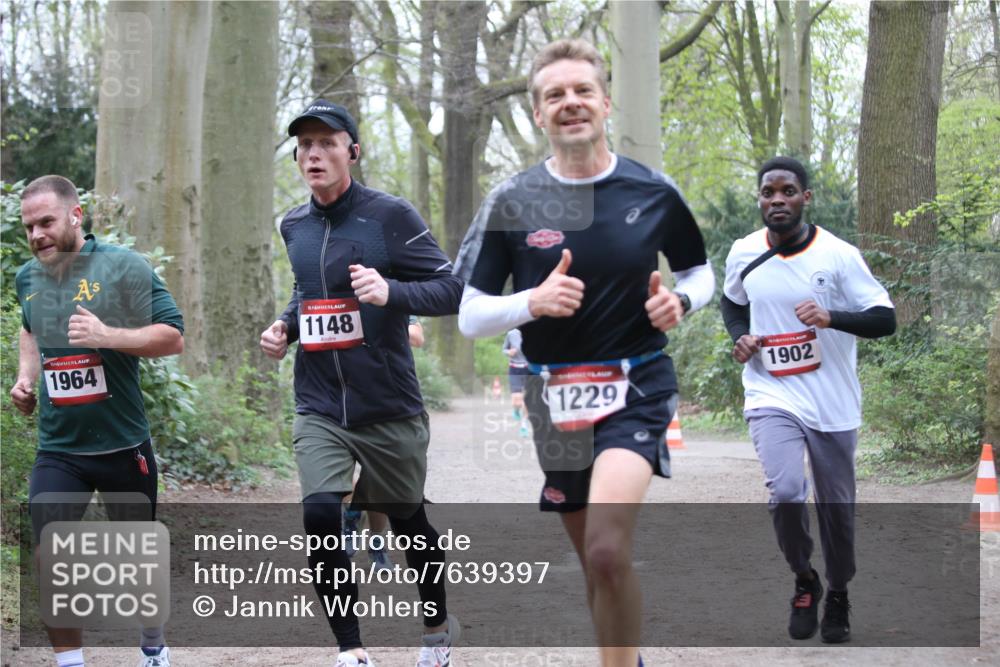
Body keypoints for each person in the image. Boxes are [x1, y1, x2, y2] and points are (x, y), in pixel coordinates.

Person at [454, 40, 715, 667]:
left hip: (638, 383)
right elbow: (469, 315)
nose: (570, 103)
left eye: (581, 91)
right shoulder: (513, 201)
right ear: (540, 115)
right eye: (554, 95)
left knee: (605, 548)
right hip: (553, 394)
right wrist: (532, 302)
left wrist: (680, 301)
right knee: (596, 564)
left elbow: (700, 270)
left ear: (604, 101)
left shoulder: (651, 190)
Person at [259, 99, 463, 667]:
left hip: (388, 404)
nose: (313, 154)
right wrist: (285, 326)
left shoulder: (389, 217)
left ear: (353, 149)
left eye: (326, 142)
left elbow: (453, 289)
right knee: (322, 514)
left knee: (408, 522)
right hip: (320, 403)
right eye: (304, 145)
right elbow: (308, 294)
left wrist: (391, 292)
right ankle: (351, 650)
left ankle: (437, 631)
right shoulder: (294, 224)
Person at [720, 156, 896, 643]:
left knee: (836, 509)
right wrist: (741, 336)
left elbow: (885, 319)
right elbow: (733, 300)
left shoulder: (837, 255)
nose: (777, 199)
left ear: (805, 197)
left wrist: (830, 317)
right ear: (760, 199)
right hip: (769, 391)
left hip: (832, 401)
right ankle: (805, 578)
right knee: (786, 492)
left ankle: (838, 591)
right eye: (768, 192)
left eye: (788, 191)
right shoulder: (744, 251)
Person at [11, 175, 184, 667]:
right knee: (49, 552)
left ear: (75, 215)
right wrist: (26, 378)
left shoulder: (123, 266)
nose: (38, 234)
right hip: (60, 450)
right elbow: (29, 330)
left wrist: (108, 335)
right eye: (29, 227)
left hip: (122, 445)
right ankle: (72, 662)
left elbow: (172, 338)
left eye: (46, 222)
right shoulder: (29, 277)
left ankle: (153, 641)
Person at [342, 315, 427, 570]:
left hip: (387, 401)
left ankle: (375, 540)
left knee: (380, 479)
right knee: (339, 474)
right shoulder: (328, 294)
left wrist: (374, 324)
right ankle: (350, 519)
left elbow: (417, 337)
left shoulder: (388, 295)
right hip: (336, 397)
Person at [502, 328, 530, 437]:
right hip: (514, 369)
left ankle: (524, 427)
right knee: (516, 401)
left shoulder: (533, 331)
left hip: (528, 369)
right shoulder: (511, 334)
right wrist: (509, 352)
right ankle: (516, 409)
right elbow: (503, 349)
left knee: (526, 400)